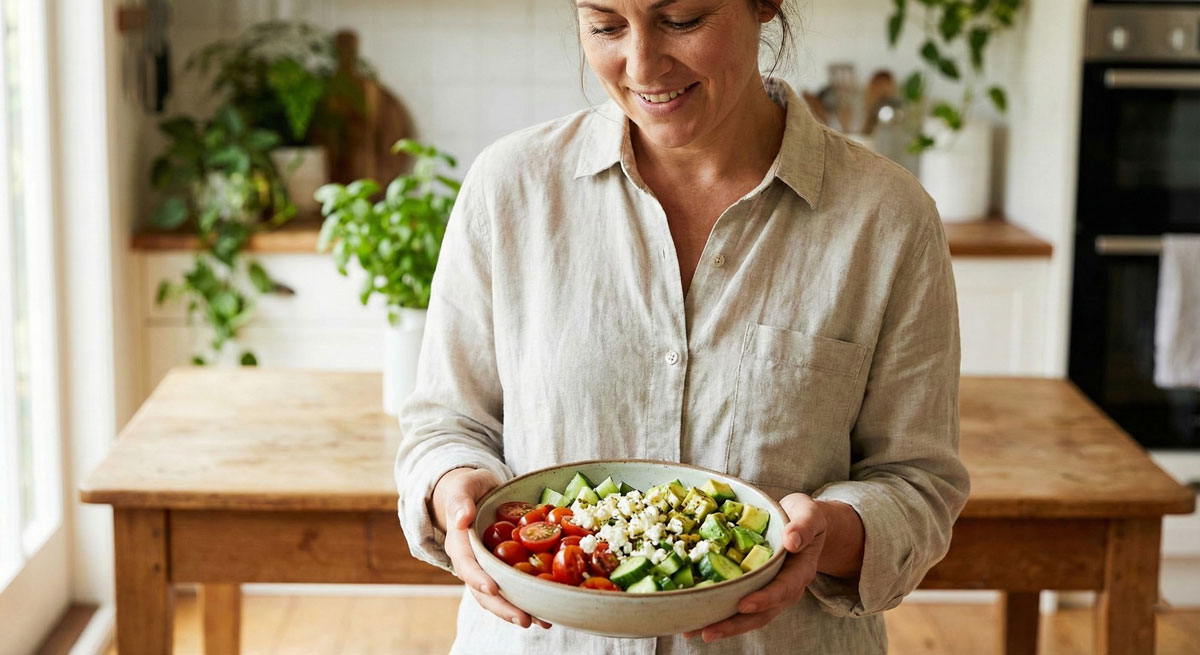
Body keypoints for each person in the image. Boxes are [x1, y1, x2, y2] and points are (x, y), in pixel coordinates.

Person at [395, 0, 970, 652]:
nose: (642, 64)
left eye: (683, 19)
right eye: (606, 25)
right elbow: (443, 427)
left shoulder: (887, 218)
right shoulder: (510, 187)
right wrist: (452, 491)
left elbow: (919, 484)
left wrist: (828, 534)